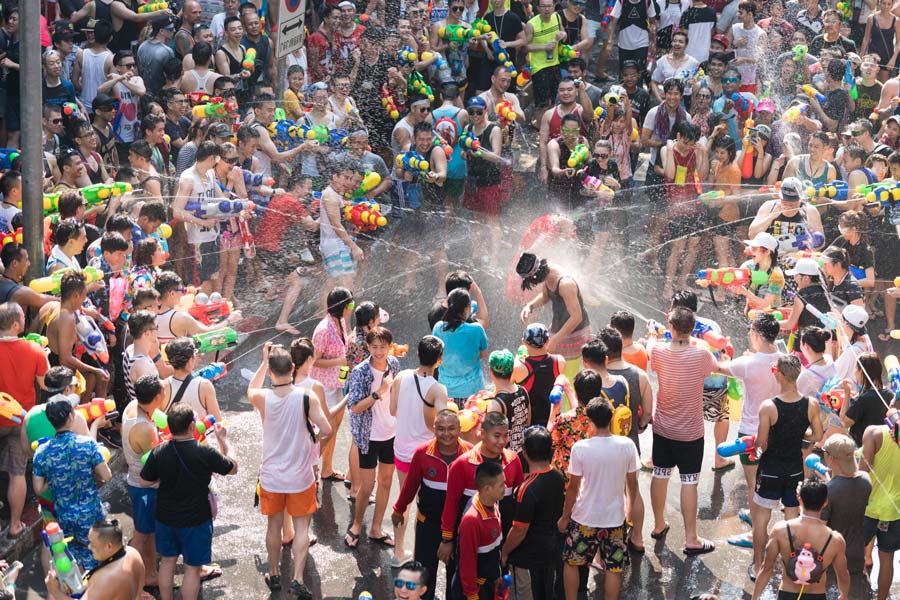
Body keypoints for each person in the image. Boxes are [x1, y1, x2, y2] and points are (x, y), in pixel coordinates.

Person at [248, 343, 331, 599]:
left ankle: (274, 574)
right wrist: (311, 440)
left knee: (274, 527)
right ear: (293, 368)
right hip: (301, 476)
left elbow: (251, 387)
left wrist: (263, 360)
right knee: (302, 528)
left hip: (272, 477)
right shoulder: (307, 397)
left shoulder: (263, 398)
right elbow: (326, 430)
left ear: (272, 372)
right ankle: (296, 578)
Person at [139, 402, 238, 600]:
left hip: (166, 517)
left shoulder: (160, 451)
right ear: (192, 426)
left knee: (167, 562)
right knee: (192, 569)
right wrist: (224, 440)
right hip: (196, 519)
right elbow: (233, 468)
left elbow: (144, 481)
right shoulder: (204, 452)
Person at [647, 306, 717, 555]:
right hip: (691, 433)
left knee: (660, 474)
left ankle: (657, 525)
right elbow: (714, 368)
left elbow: (650, 348)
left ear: (670, 326)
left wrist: (654, 334)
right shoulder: (701, 354)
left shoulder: (657, 350)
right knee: (690, 482)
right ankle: (691, 538)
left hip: (664, 427)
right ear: (693, 328)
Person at [749, 355, 823, 581]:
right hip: (794, 469)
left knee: (761, 519)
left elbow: (761, 442)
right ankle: (789, 567)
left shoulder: (769, 406)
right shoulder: (811, 404)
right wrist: (801, 434)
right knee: (792, 519)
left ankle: (759, 564)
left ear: (778, 374)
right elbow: (817, 435)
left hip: (770, 467)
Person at [558, 397, 639, 600]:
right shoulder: (627, 445)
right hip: (614, 518)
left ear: (590, 420)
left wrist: (565, 517)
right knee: (613, 568)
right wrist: (628, 512)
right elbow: (632, 485)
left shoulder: (581, 448)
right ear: (611, 418)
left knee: (572, 561)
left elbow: (573, 488)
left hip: (585, 517)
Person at [392, 410, 470, 600]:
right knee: (424, 578)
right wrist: (399, 508)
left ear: (460, 429)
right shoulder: (422, 453)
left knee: (456, 580)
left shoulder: (470, 454)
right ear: (433, 429)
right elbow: (410, 485)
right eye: (441, 429)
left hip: (458, 529)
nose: (446, 434)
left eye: (451, 428)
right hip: (428, 525)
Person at [33, 398, 112, 570]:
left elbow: (38, 489)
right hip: (92, 514)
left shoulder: (41, 451)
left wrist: (55, 477)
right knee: (100, 557)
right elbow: (107, 476)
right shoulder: (87, 444)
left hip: (64, 516)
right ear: (71, 416)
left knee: (75, 559)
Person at [390, 335, 448, 566]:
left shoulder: (401, 377)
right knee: (423, 505)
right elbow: (443, 426)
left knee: (403, 500)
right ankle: (417, 554)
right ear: (439, 360)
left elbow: (393, 410)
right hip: (425, 455)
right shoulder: (437, 389)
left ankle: (397, 552)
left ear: (417, 354)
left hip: (402, 449)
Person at [345, 326, 402, 550]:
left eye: (383, 347)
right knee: (367, 486)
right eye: (374, 347)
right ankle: (357, 525)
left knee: (386, 482)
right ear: (368, 347)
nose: (379, 351)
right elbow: (355, 408)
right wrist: (378, 393)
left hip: (391, 433)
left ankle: (376, 527)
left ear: (390, 347)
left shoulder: (394, 364)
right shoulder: (360, 372)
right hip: (369, 436)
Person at [439, 412, 524, 562]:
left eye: (505, 435)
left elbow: (518, 500)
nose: (502, 441)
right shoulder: (462, 465)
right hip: (468, 541)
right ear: (482, 434)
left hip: (500, 543)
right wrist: (447, 540)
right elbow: (451, 503)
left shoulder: (513, 461)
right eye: (496, 436)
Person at [751, 478, 850, 600]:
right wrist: (844, 596)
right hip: (817, 595)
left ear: (799, 499)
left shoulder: (781, 530)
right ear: (825, 503)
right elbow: (843, 575)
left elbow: (766, 569)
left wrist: (754, 597)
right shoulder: (835, 539)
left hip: (786, 594)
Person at [0, 302, 49, 539]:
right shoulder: (34, 350)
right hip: (20, 420)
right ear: (17, 324)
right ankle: (15, 524)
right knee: (17, 473)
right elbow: (46, 383)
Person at [501, 426, 564, 598]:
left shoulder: (526, 489)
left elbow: (519, 530)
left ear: (525, 452)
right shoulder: (558, 477)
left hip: (528, 557)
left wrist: (505, 551)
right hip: (550, 551)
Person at [122, 374, 166, 589]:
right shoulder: (145, 428)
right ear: (158, 396)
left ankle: (150, 574)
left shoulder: (133, 406)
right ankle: (124, 579)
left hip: (136, 480)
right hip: (145, 488)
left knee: (149, 534)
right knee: (140, 537)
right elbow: (155, 464)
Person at [517, 252, 591, 381]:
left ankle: (570, 399)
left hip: (574, 334)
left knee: (568, 378)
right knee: (554, 371)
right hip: (559, 328)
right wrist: (530, 306)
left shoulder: (565, 284)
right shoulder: (547, 274)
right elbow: (546, 297)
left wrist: (555, 340)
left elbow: (576, 317)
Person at [45, 518, 146, 600]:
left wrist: (54, 591)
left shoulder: (103, 578)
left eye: (93, 544)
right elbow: (141, 586)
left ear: (109, 546)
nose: (89, 547)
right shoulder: (134, 553)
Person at [860, 396, 900, 600]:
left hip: (868, 508)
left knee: (854, 555)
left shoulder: (874, 432)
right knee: (887, 559)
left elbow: (861, 474)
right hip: (895, 511)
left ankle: (851, 595)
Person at [820, 434, 873, 578]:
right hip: (856, 552)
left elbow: (821, 527)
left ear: (830, 458)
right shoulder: (865, 480)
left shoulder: (828, 491)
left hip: (833, 554)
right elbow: (847, 490)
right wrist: (830, 482)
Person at [453, 460, 506, 600]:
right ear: (487, 489)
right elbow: (467, 562)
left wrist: (496, 575)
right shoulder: (472, 521)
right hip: (475, 591)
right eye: (501, 485)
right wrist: (472, 595)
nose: (505, 488)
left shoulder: (493, 503)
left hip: (488, 584)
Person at [432, 289, 489, 401]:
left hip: (446, 392)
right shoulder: (477, 329)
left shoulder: (438, 328)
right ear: (468, 308)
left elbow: (435, 356)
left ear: (448, 305)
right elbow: (483, 354)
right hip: (473, 392)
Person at [512, 322, 565, 429]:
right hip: (552, 425)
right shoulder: (559, 361)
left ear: (523, 342)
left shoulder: (518, 367)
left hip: (530, 427)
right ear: (548, 341)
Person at [485, 350, 530, 453]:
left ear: (490, 371)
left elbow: (491, 437)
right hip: (521, 454)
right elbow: (527, 422)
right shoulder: (523, 391)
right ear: (512, 370)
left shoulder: (496, 404)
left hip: (505, 458)